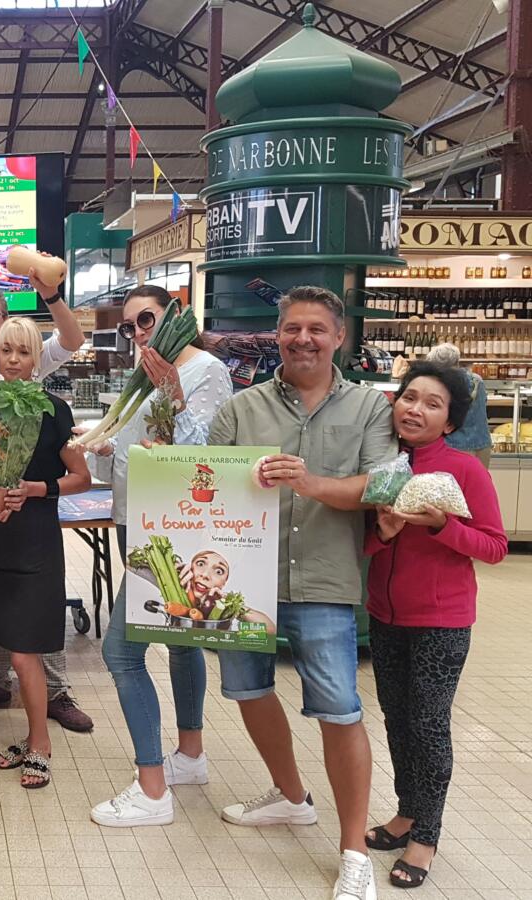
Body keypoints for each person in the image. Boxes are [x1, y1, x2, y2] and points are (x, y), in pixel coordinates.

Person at [207, 285, 397, 900]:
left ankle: (354, 852)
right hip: (244, 580)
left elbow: (380, 485)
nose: (303, 339)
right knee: (246, 689)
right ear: (279, 334)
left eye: (317, 328)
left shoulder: (370, 408)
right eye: (292, 328)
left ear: (339, 336)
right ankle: (291, 797)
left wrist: (311, 483)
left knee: (339, 709)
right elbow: (204, 486)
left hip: (324, 577)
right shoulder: (242, 408)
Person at [84, 285, 233, 827]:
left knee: (122, 652)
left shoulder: (205, 369)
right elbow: (141, 448)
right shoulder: (145, 373)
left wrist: (170, 390)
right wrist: (107, 451)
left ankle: (152, 790)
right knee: (178, 639)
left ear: (176, 315)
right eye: (129, 327)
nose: (139, 332)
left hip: (169, 526)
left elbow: (203, 455)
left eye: (146, 319)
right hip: (133, 517)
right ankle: (189, 756)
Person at [364, 361, 506, 890]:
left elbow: (493, 547)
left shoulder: (464, 470)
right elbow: (366, 546)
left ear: (449, 422)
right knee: (396, 719)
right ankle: (405, 813)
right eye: (409, 397)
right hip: (385, 614)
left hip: (442, 621)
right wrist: (384, 529)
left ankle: (426, 834)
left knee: (428, 724)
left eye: (432, 404)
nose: (415, 409)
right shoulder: (382, 465)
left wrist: (444, 525)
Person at [0, 278, 94, 733]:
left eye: (23, 352)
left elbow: (80, 478)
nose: (13, 360)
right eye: (6, 352)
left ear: (37, 357)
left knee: (34, 634)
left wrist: (33, 490)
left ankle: (52, 703)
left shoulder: (53, 410)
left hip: (36, 544)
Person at [425, 343, 493, 467]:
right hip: (482, 444)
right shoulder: (477, 380)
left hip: (453, 445)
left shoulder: (442, 383)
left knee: (453, 485)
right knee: (476, 484)